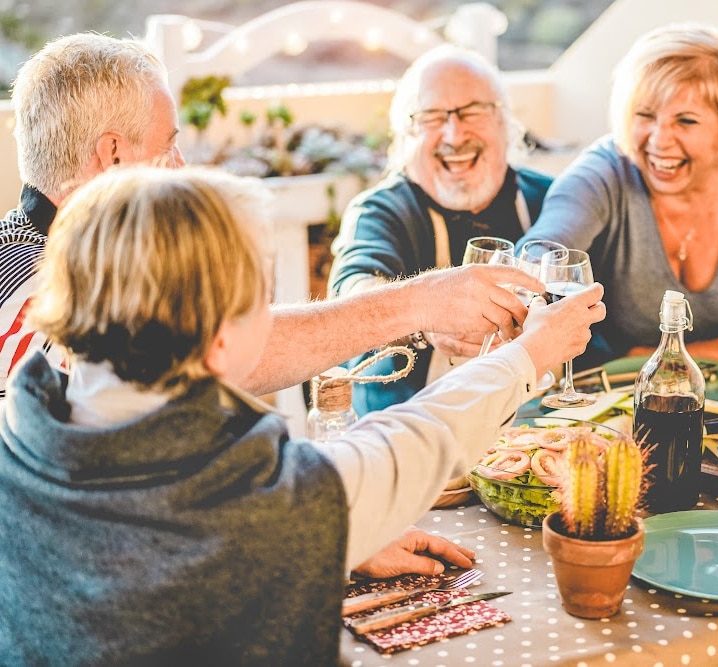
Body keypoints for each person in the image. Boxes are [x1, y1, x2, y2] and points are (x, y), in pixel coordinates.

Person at [0, 165, 605, 663]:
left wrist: (327, 542)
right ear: (219, 341)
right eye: (259, 301)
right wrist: (529, 355)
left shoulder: (18, 437)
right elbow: (411, 443)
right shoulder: (260, 503)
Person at [0, 33, 540, 405]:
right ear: (114, 155)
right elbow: (218, 357)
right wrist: (422, 302)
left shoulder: (81, 264)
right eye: (168, 148)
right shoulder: (36, 302)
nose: (181, 168)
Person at [516, 23, 718, 366]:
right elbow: (543, 248)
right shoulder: (602, 172)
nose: (659, 140)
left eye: (686, 121)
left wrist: (660, 359)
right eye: (644, 114)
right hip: (614, 384)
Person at [328, 44, 554, 415]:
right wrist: (425, 314)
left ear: (505, 123)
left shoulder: (548, 197)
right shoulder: (379, 211)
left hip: (539, 428)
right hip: (410, 429)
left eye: (473, 111)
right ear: (405, 135)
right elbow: (351, 292)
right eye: (431, 117)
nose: (454, 135)